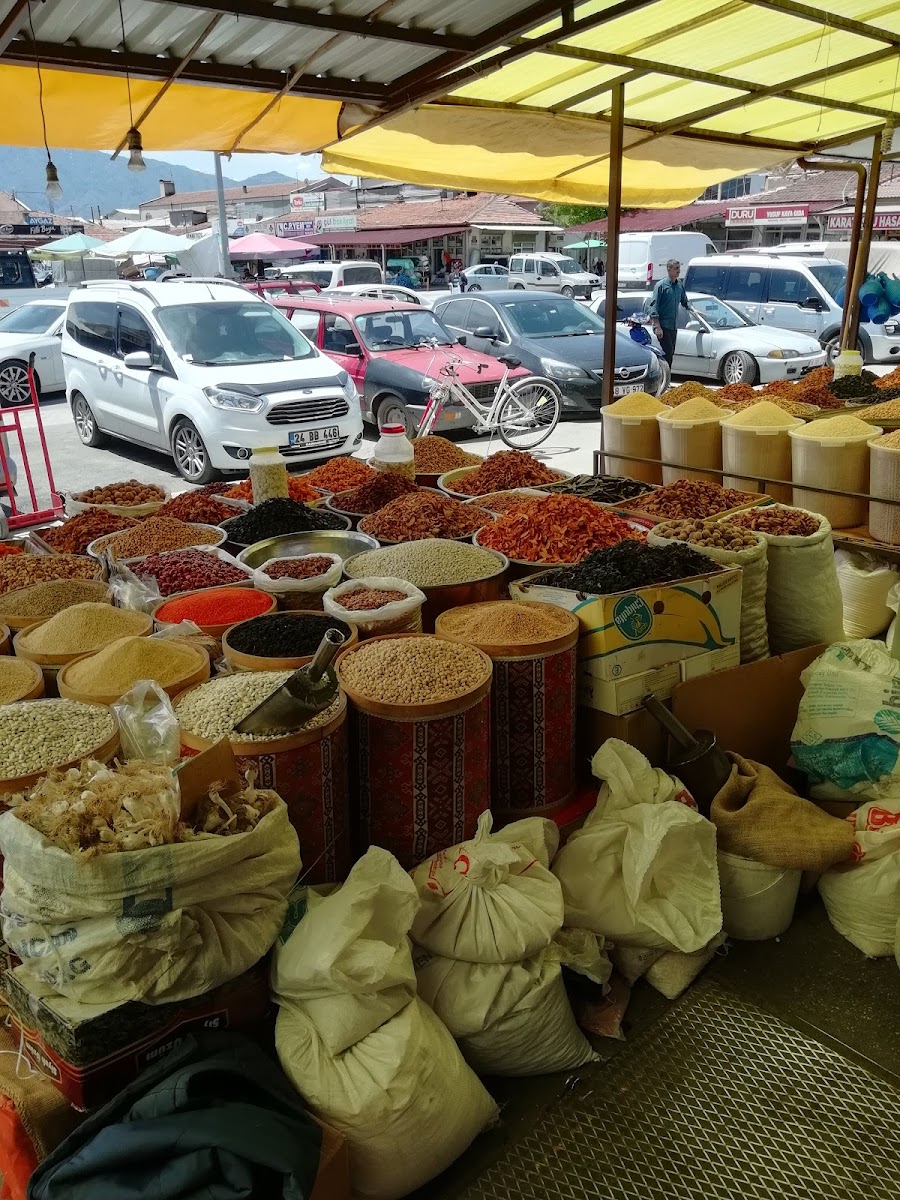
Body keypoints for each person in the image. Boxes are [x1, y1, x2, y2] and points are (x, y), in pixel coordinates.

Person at [648, 258, 692, 366]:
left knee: (670, 354)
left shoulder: (679, 285)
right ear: (669, 269)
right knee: (667, 352)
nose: (678, 271)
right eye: (676, 268)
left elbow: (684, 301)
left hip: (673, 326)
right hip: (663, 326)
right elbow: (653, 306)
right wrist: (657, 326)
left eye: (679, 268)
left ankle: (666, 378)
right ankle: (661, 376)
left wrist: (692, 309)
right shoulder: (661, 286)